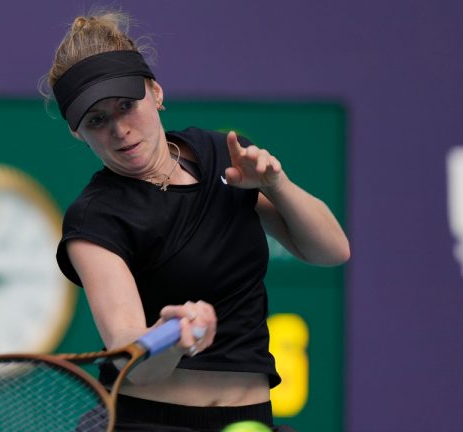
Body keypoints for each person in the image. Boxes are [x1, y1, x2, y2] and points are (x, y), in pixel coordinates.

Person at [43, 9, 350, 432]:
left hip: (250, 420)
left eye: (127, 106)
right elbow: (128, 355)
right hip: (147, 422)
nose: (119, 129)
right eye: (97, 120)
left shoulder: (225, 155)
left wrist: (276, 184)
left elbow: (331, 251)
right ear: (79, 133)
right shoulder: (94, 219)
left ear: (156, 92)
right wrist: (170, 338)